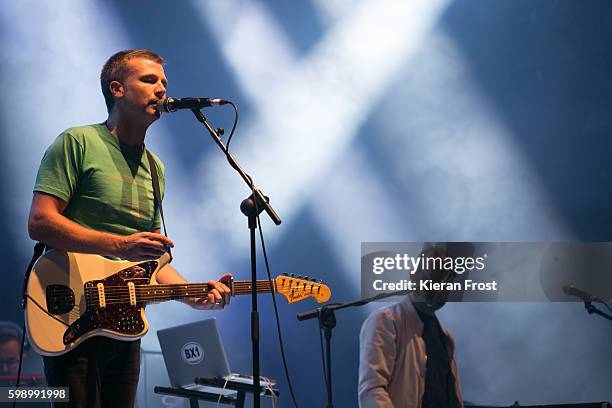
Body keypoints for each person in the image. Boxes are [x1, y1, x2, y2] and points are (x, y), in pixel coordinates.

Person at [28, 49, 232, 407]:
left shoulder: (156, 169)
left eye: (164, 83)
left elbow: (152, 262)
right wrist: (121, 246)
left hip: (124, 322)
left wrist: (191, 293)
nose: (161, 90)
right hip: (70, 309)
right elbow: (41, 221)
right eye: (149, 80)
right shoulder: (78, 142)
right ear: (117, 89)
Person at [358, 243, 470, 408]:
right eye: (432, 276)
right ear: (413, 275)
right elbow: (372, 390)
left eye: (447, 280)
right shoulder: (385, 322)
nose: (439, 285)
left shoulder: (446, 337)